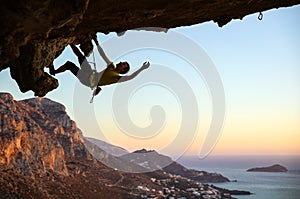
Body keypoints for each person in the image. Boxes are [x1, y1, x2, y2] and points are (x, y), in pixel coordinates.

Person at [49, 37, 150, 100]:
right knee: (81, 57)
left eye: (123, 64)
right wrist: (97, 42)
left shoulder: (116, 78)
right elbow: (103, 54)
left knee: (69, 65)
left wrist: (141, 68)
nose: (121, 62)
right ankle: (69, 42)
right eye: (123, 62)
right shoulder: (112, 66)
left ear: (123, 70)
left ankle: (54, 71)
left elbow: (130, 77)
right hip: (91, 74)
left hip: (88, 80)